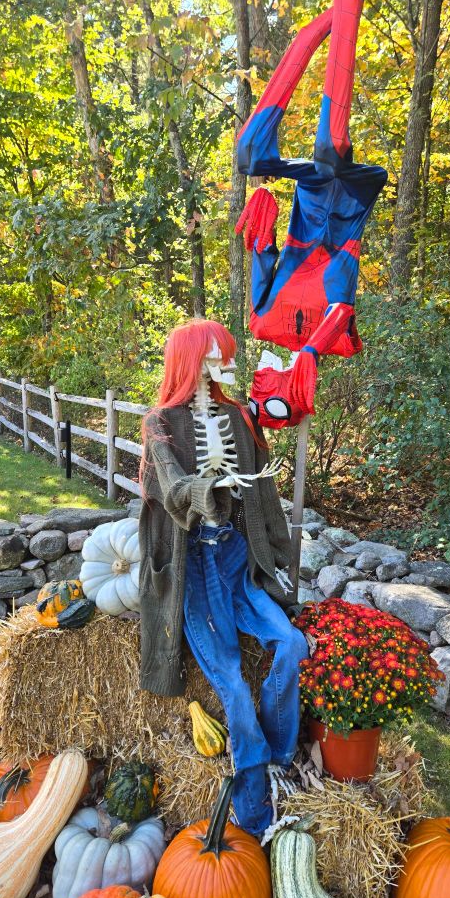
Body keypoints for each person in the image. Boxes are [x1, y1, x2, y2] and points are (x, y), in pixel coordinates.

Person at [138, 317, 308, 835]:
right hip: (196, 564)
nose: (230, 361)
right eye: (219, 353)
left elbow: (263, 491)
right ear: (193, 359)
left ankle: (279, 753)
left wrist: (279, 551)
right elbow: (170, 486)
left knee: (292, 643)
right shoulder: (160, 423)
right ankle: (254, 806)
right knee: (231, 682)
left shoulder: (237, 418)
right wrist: (203, 490)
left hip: (237, 557)